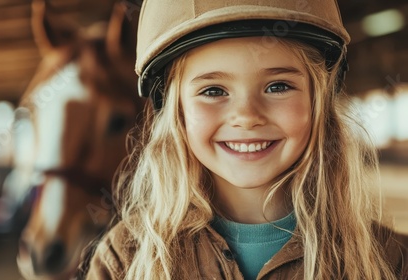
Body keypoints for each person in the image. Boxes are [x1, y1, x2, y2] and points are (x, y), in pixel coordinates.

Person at [83, 0, 408, 279]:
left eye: (278, 86)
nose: (247, 116)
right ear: (175, 111)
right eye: (213, 91)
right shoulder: (124, 260)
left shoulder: (393, 261)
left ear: (319, 99)